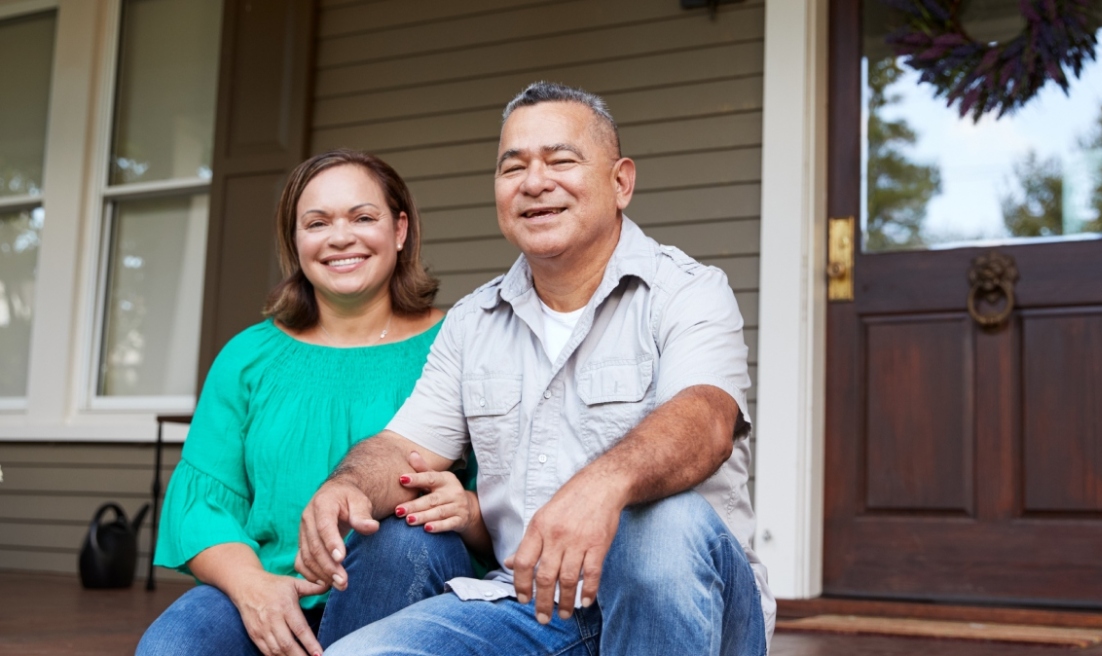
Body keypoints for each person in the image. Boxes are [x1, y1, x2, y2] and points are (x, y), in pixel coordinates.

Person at [297, 82, 775, 656]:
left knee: (658, 526)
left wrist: (604, 485)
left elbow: (707, 419)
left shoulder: (689, 291)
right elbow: (405, 448)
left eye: (561, 160)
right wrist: (345, 486)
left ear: (621, 182)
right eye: (513, 167)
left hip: (685, 607)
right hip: (529, 608)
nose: (534, 182)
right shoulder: (474, 321)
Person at [137, 149, 490, 656]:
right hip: (272, 586)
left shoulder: (460, 343)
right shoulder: (248, 358)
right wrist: (253, 587)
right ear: (295, 242)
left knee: (408, 542)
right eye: (317, 222)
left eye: (363, 217)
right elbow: (203, 507)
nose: (340, 237)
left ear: (400, 229)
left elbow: (506, 508)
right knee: (172, 645)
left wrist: (470, 510)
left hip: (407, 592)